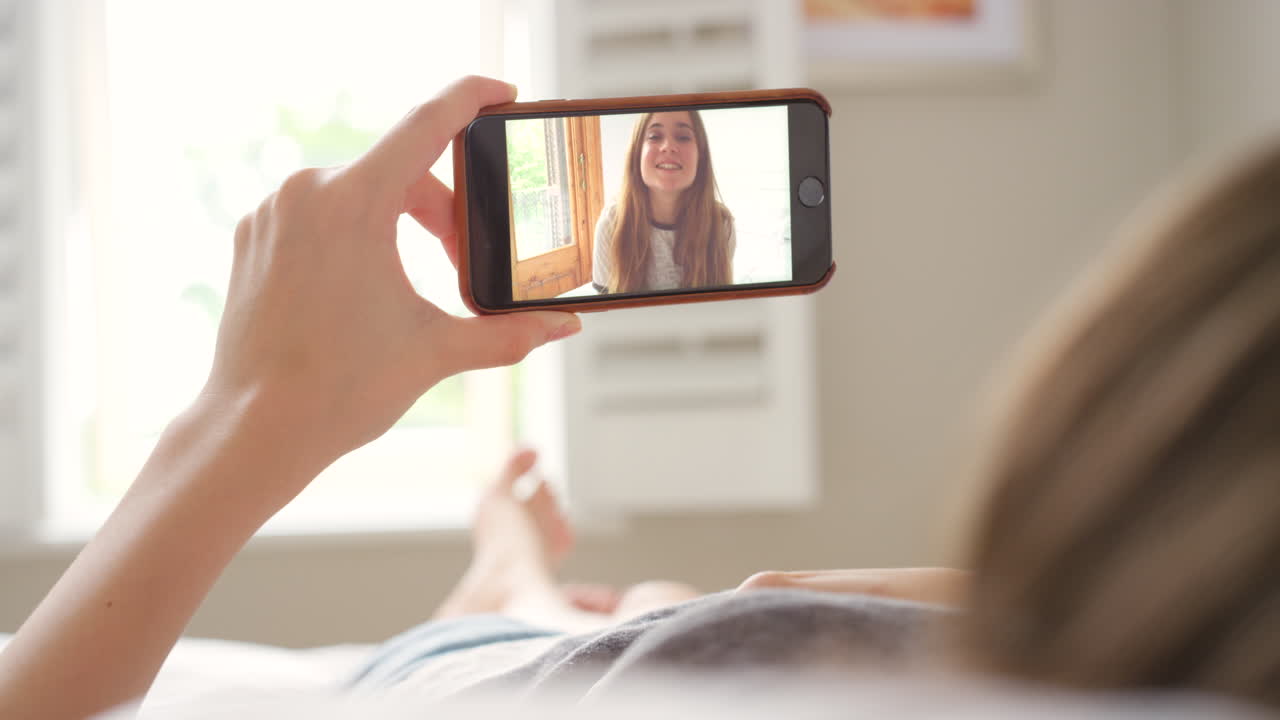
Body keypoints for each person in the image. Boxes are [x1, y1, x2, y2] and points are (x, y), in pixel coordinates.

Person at [1, 74, 1278, 718]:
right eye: (654, 137)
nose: (665, 150)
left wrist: (248, 415)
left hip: (514, 667)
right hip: (671, 643)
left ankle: (502, 589)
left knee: (694, 612)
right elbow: (783, 604)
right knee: (694, 606)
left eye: (679, 136)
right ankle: (509, 586)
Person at [591, 110, 736, 294]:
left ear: (701, 156)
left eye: (683, 137)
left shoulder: (721, 225)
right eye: (654, 136)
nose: (668, 146)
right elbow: (606, 317)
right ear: (637, 154)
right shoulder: (612, 224)